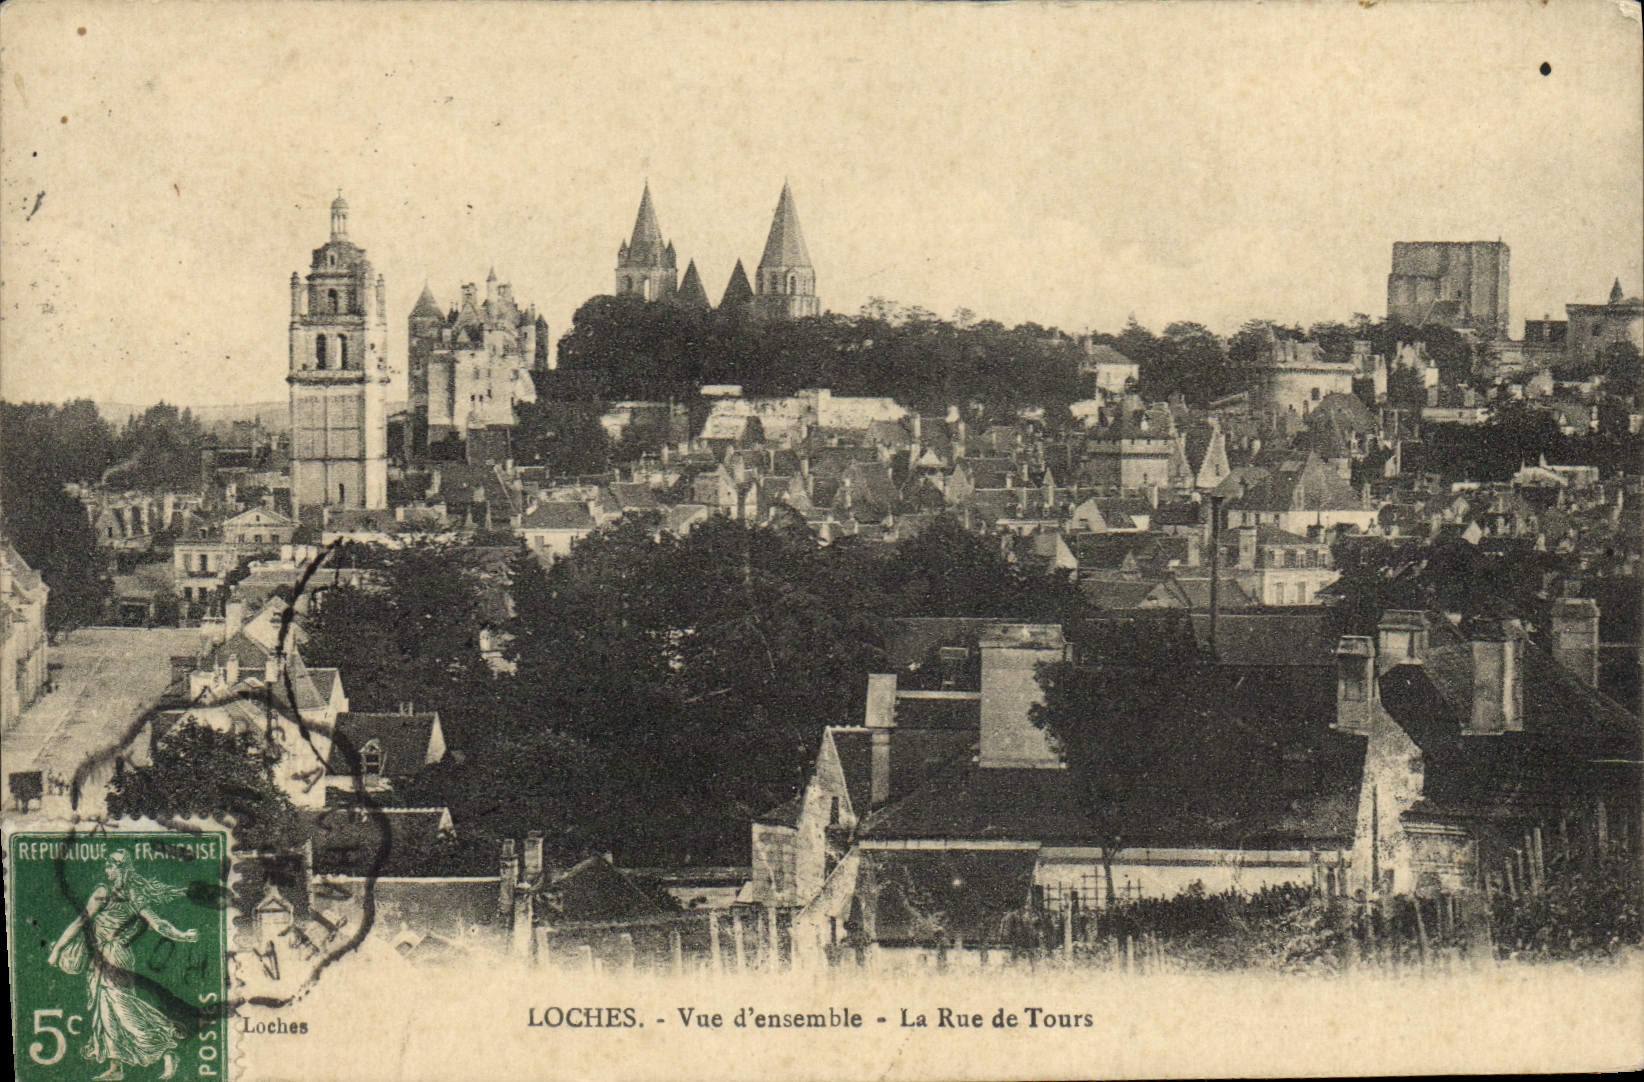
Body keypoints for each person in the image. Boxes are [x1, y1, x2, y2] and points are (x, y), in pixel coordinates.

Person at [48, 850, 198, 1081]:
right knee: (105, 1011)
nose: (107, 871)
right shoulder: (128, 895)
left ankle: (167, 1048)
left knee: (122, 1008)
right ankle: (115, 1067)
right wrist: (181, 934)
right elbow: (157, 924)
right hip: (103, 957)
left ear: (121, 869)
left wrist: (58, 950)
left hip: (114, 956)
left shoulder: (106, 893)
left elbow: (81, 922)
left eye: (110, 867)